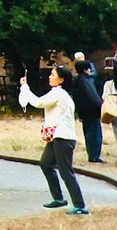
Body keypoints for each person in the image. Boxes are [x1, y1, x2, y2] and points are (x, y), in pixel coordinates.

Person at [23, 63, 87, 215]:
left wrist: (25, 89)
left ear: (61, 80)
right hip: (57, 137)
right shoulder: (58, 93)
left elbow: (38, 102)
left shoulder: (58, 94)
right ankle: (58, 198)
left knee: (66, 172)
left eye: (53, 75)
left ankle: (80, 205)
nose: (49, 77)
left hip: (63, 137)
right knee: (45, 164)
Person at [69, 53, 104, 163]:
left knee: (87, 132)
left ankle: (91, 154)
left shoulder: (76, 80)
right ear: (85, 70)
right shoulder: (86, 81)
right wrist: (101, 104)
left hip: (82, 110)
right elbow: (93, 95)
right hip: (92, 110)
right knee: (96, 133)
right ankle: (95, 155)